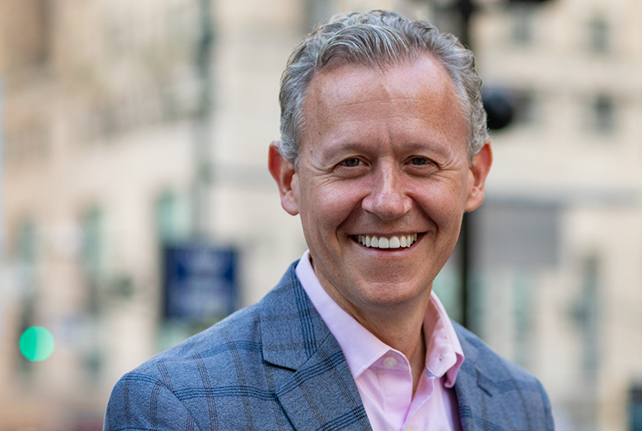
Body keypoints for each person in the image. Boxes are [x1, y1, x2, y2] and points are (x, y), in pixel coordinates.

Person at [105, 10, 553, 430]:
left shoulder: (520, 403)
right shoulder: (175, 407)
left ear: (474, 178)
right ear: (288, 179)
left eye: (420, 161)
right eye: (351, 163)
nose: (388, 201)